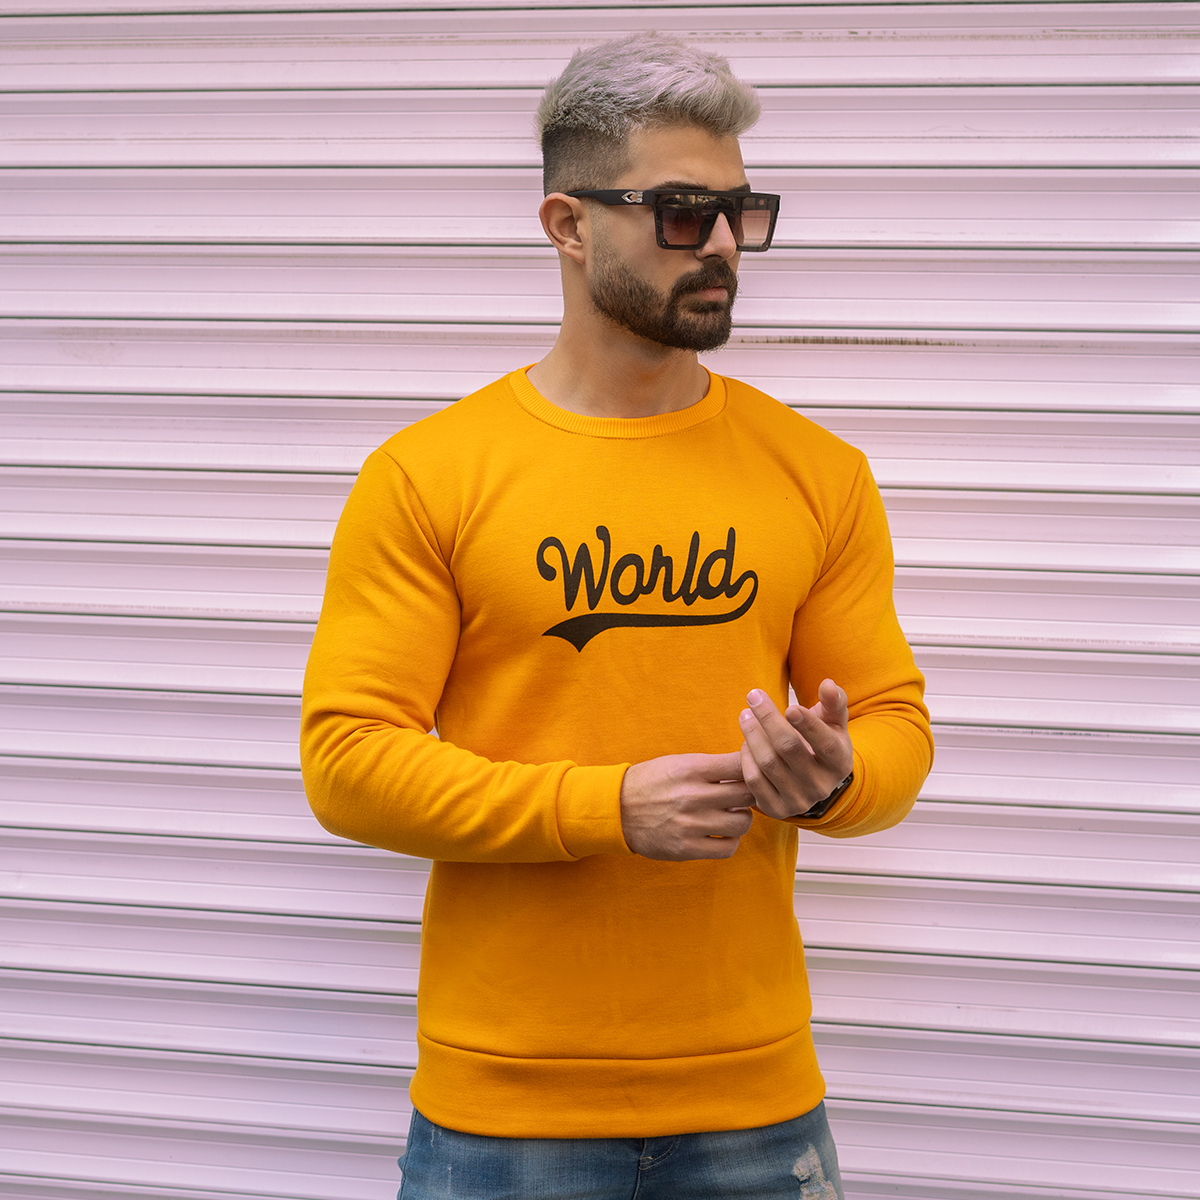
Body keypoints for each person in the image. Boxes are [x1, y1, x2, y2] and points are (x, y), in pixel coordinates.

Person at [301, 32, 933, 1200]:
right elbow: (346, 763)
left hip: (756, 1104)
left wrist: (835, 781)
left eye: (742, 212)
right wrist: (604, 807)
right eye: (684, 213)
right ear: (568, 223)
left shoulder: (817, 473)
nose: (726, 245)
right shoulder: (430, 475)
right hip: (505, 1114)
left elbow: (896, 727)